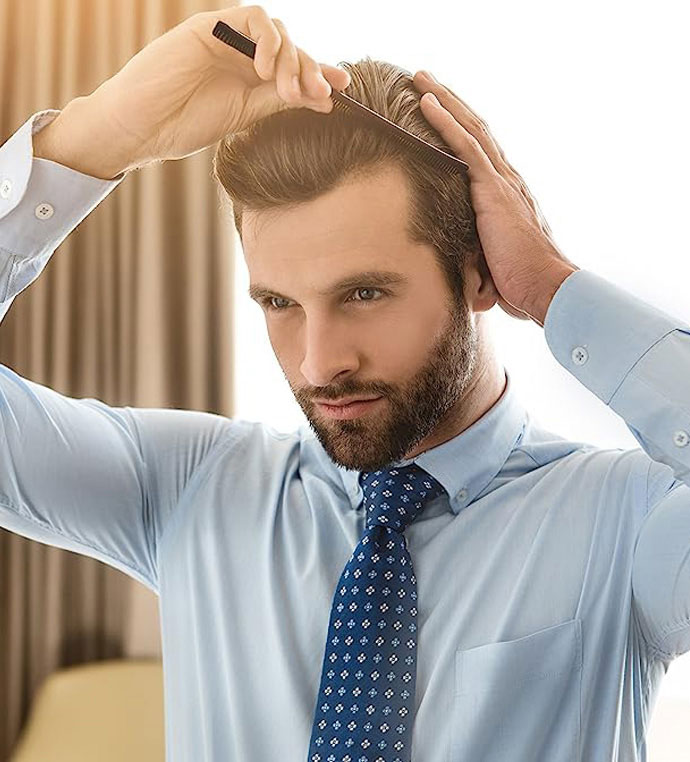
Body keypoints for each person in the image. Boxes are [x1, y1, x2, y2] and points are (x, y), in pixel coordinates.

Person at [0, 5, 686, 762]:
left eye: (364, 294)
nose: (318, 364)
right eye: (280, 304)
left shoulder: (627, 521)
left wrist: (557, 290)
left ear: (483, 272)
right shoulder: (183, 488)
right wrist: (99, 138)